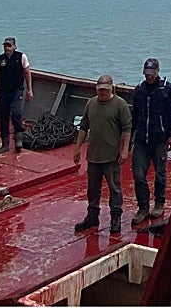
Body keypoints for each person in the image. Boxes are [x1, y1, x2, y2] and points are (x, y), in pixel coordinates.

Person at [73, 74, 131, 234]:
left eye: (105, 90)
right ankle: (92, 216)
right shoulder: (91, 103)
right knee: (92, 188)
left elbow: (127, 129)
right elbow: (84, 126)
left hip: (111, 156)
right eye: (100, 90)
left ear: (111, 88)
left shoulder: (120, 105)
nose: (102, 93)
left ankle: (116, 218)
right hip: (93, 155)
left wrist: (124, 150)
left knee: (114, 188)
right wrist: (77, 148)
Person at [130, 57, 171, 227]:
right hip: (141, 139)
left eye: (151, 73)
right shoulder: (139, 90)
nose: (149, 76)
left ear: (157, 71)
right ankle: (143, 207)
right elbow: (134, 116)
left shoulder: (167, 89)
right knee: (138, 174)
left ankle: (159, 203)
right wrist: (129, 139)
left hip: (159, 139)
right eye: (146, 73)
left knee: (160, 173)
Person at [0, 37, 32, 153]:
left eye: (9, 45)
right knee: (3, 117)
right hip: (3, 91)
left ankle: (18, 138)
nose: (6, 48)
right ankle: (5, 144)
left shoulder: (21, 57)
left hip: (16, 90)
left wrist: (29, 90)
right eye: (5, 46)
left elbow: (27, 73)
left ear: (14, 46)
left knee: (16, 113)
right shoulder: (0, 59)